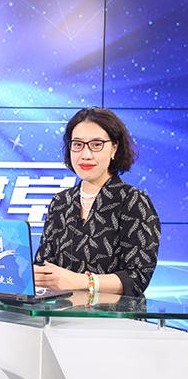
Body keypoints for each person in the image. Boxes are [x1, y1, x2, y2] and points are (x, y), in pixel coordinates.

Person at [34, 107, 160, 297]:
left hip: (115, 313)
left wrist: (81, 281)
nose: (85, 154)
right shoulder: (60, 202)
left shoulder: (133, 201)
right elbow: (44, 265)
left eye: (96, 144)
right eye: (77, 144)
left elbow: (137, 278)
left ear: (114, 148)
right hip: (61, 312)